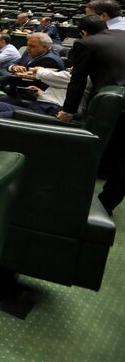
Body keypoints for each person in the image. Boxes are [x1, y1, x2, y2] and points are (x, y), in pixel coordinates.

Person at [56, 15, 125, 215]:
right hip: (119, 97)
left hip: (115, 103)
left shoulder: (86, 43)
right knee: (123, 160)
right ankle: (106, 205)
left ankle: (77, 203)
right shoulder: (121, 34)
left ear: (83, 32)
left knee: (97, 149)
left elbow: (77, 81)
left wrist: (68, 111)